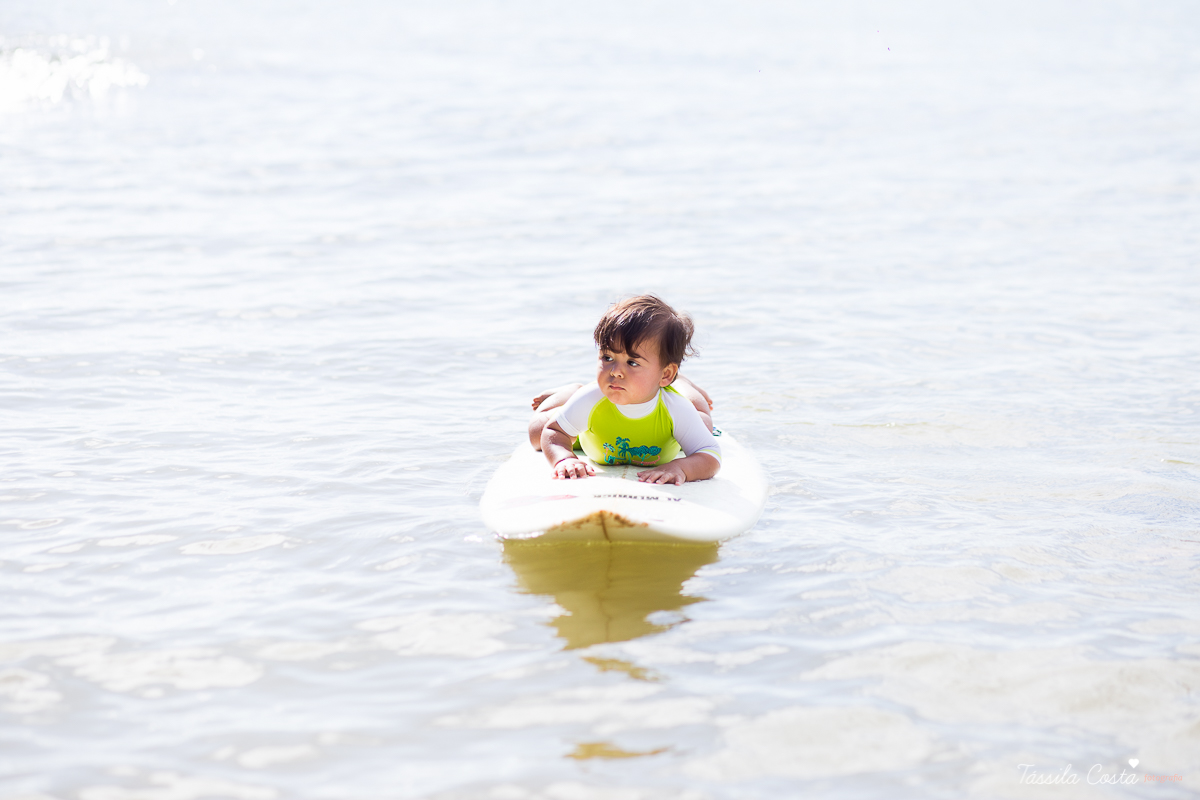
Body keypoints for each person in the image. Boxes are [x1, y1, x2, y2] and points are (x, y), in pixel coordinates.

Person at [528, 295, 721, 485]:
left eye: (632, 362)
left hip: (667, 401)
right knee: (537, 432)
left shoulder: (675, 408)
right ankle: (572, 390)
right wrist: (564, 458)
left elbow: (710, 455)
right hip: (592, 431)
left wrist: (682, 467)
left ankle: (682, 384)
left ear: (665, 374)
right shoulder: (590, 400)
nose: (616, 372)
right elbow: (553, 432)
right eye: (608, 358)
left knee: (704, 423)